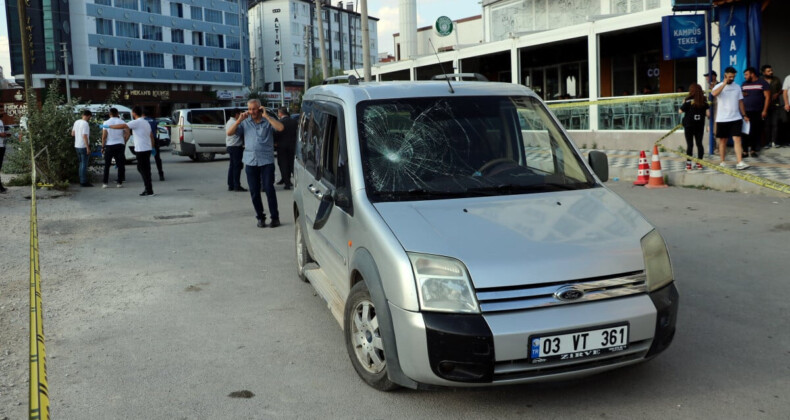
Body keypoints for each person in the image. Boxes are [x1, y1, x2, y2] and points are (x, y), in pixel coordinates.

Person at [227, 99, 284, 228]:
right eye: (250, 109)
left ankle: (275, 218)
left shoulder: (267, 121)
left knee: (269, 189)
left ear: (259, 108)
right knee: (254, 191)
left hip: (266, 162)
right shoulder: (245, 123)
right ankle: (260, 217)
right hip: (250, 162)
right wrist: (239, 120)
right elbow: (229, 133)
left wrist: (267, 116)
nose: (252, 111)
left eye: (254, 109)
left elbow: (280, 128)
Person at [105, 106, 156, 196]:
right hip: (146, 148)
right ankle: (148, 188)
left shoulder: (136, 122)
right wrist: (152, 146)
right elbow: (151, 134)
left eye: (132, 112)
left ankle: (149, 190)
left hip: (141, 149)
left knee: (142, 169)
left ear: (134, 113)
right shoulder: (145, 122)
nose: (132, 114)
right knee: (144, 169)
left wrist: (109, 126)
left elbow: (123, 126)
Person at [712, 66, 750, 170]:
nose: (731, 79)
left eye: (733, 77)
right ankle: (722, 161)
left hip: (736, 118)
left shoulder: (737, 87)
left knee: (737, 139)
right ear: (725, 75)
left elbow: (740, 102)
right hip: (722, 118)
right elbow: (714, 93)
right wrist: (724, 83)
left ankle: (739, 162)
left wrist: (744, 115)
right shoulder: (718, 86)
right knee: (723, 141)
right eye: (729, 77)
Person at [679, 83, 709, 170]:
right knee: (699, 144)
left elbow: (680, 111)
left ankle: (688, 164)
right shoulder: (703, 101)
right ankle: (700, 163)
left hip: (689, 125)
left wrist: (683, 103)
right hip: (699, 125)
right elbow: (708, 114)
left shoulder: (688, 100)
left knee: (690, 145)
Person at [741, 67, 770, 157]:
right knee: (745, 131)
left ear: (752, 74)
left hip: (758, 111)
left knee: (755, 131)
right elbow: (740, 96)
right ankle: (745, 151)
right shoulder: (744, 84)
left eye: (746, 74)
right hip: (746, 112)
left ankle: (753, 150)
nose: (745, 76)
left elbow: (767, 97)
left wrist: (765, 110)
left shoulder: (762, 83)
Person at [101, 108, 129, 188]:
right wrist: (124, 142)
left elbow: (104, 136)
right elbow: (127, 133)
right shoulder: (122, 122)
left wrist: (102, 146)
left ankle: (105, 183)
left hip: (109, 145)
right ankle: (119, 183)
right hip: (120, 144)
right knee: (120, 164)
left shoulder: (106, 123)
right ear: (117, 114)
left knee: (107, 164)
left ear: (110, 114)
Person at [275, 107, 298, 190]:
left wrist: (275, 142)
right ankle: (293, 181)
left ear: (280, 113)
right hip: (292, 146)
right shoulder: (294, 121)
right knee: (291, 163)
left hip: (282, 146)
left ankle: (287, 183)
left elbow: (276, 133)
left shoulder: (279, 122)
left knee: (283, 164)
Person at [761, 65, 783, 149]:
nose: (771, 72)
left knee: (775, 124)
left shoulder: (776, 79)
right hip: (764, 106)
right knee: (766, 125)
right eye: (768, 71)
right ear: (764, 72)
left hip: (775, 105)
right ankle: (767, 142)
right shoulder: (761, 80)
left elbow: (782, 89)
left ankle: (774, 141)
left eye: (771, 70)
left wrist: (777, 94)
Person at [225, 109, 246, 192]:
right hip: (235, 146)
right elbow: (241, 133)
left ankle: (231, 185)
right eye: (241, 114)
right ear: (237, 115)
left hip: (231, 146)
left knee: (232, 166)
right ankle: (236, 185)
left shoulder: (230, 121)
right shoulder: (234, 123)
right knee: (237, 166)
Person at [142, 108, 165, 181]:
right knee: (157, 158)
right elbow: (155, 129)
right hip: (154, 140)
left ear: (143, 114)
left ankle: (148, 175)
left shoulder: (142, 121)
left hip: (146, 140)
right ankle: (161, 174)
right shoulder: (154, 121)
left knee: (146, 159)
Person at [72, 109, 94, 187]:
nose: (89, 119)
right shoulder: (85, 124)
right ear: (88, 116)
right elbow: (84, 136)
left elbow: (73, 134)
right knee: (84, 164)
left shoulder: (76, 122)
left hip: (77, 145)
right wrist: (88, 147)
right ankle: (84, 181)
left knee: (81, 163)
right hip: (83, 146)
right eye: (90, 117)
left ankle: (81, 179)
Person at [0, 111, 9, 193]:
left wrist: (5, 134)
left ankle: (0, 187)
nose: (3, 112)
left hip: (2, 145)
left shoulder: (1, 121)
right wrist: (2, 134)